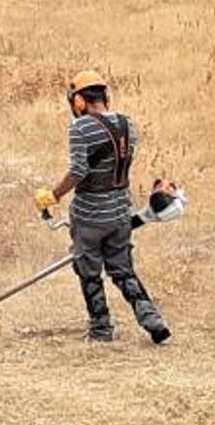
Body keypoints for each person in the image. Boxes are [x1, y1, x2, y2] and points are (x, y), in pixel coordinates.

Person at [33, 70, 171, 345]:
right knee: (122, 269)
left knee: (88, 269)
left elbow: (79, 170)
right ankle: (153, 320)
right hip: (120, 211)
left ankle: (100, 328)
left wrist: (54, 195)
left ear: (80, 101)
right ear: (105, 96)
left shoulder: (80, 127)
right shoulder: (128, 124)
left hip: (89, 215)